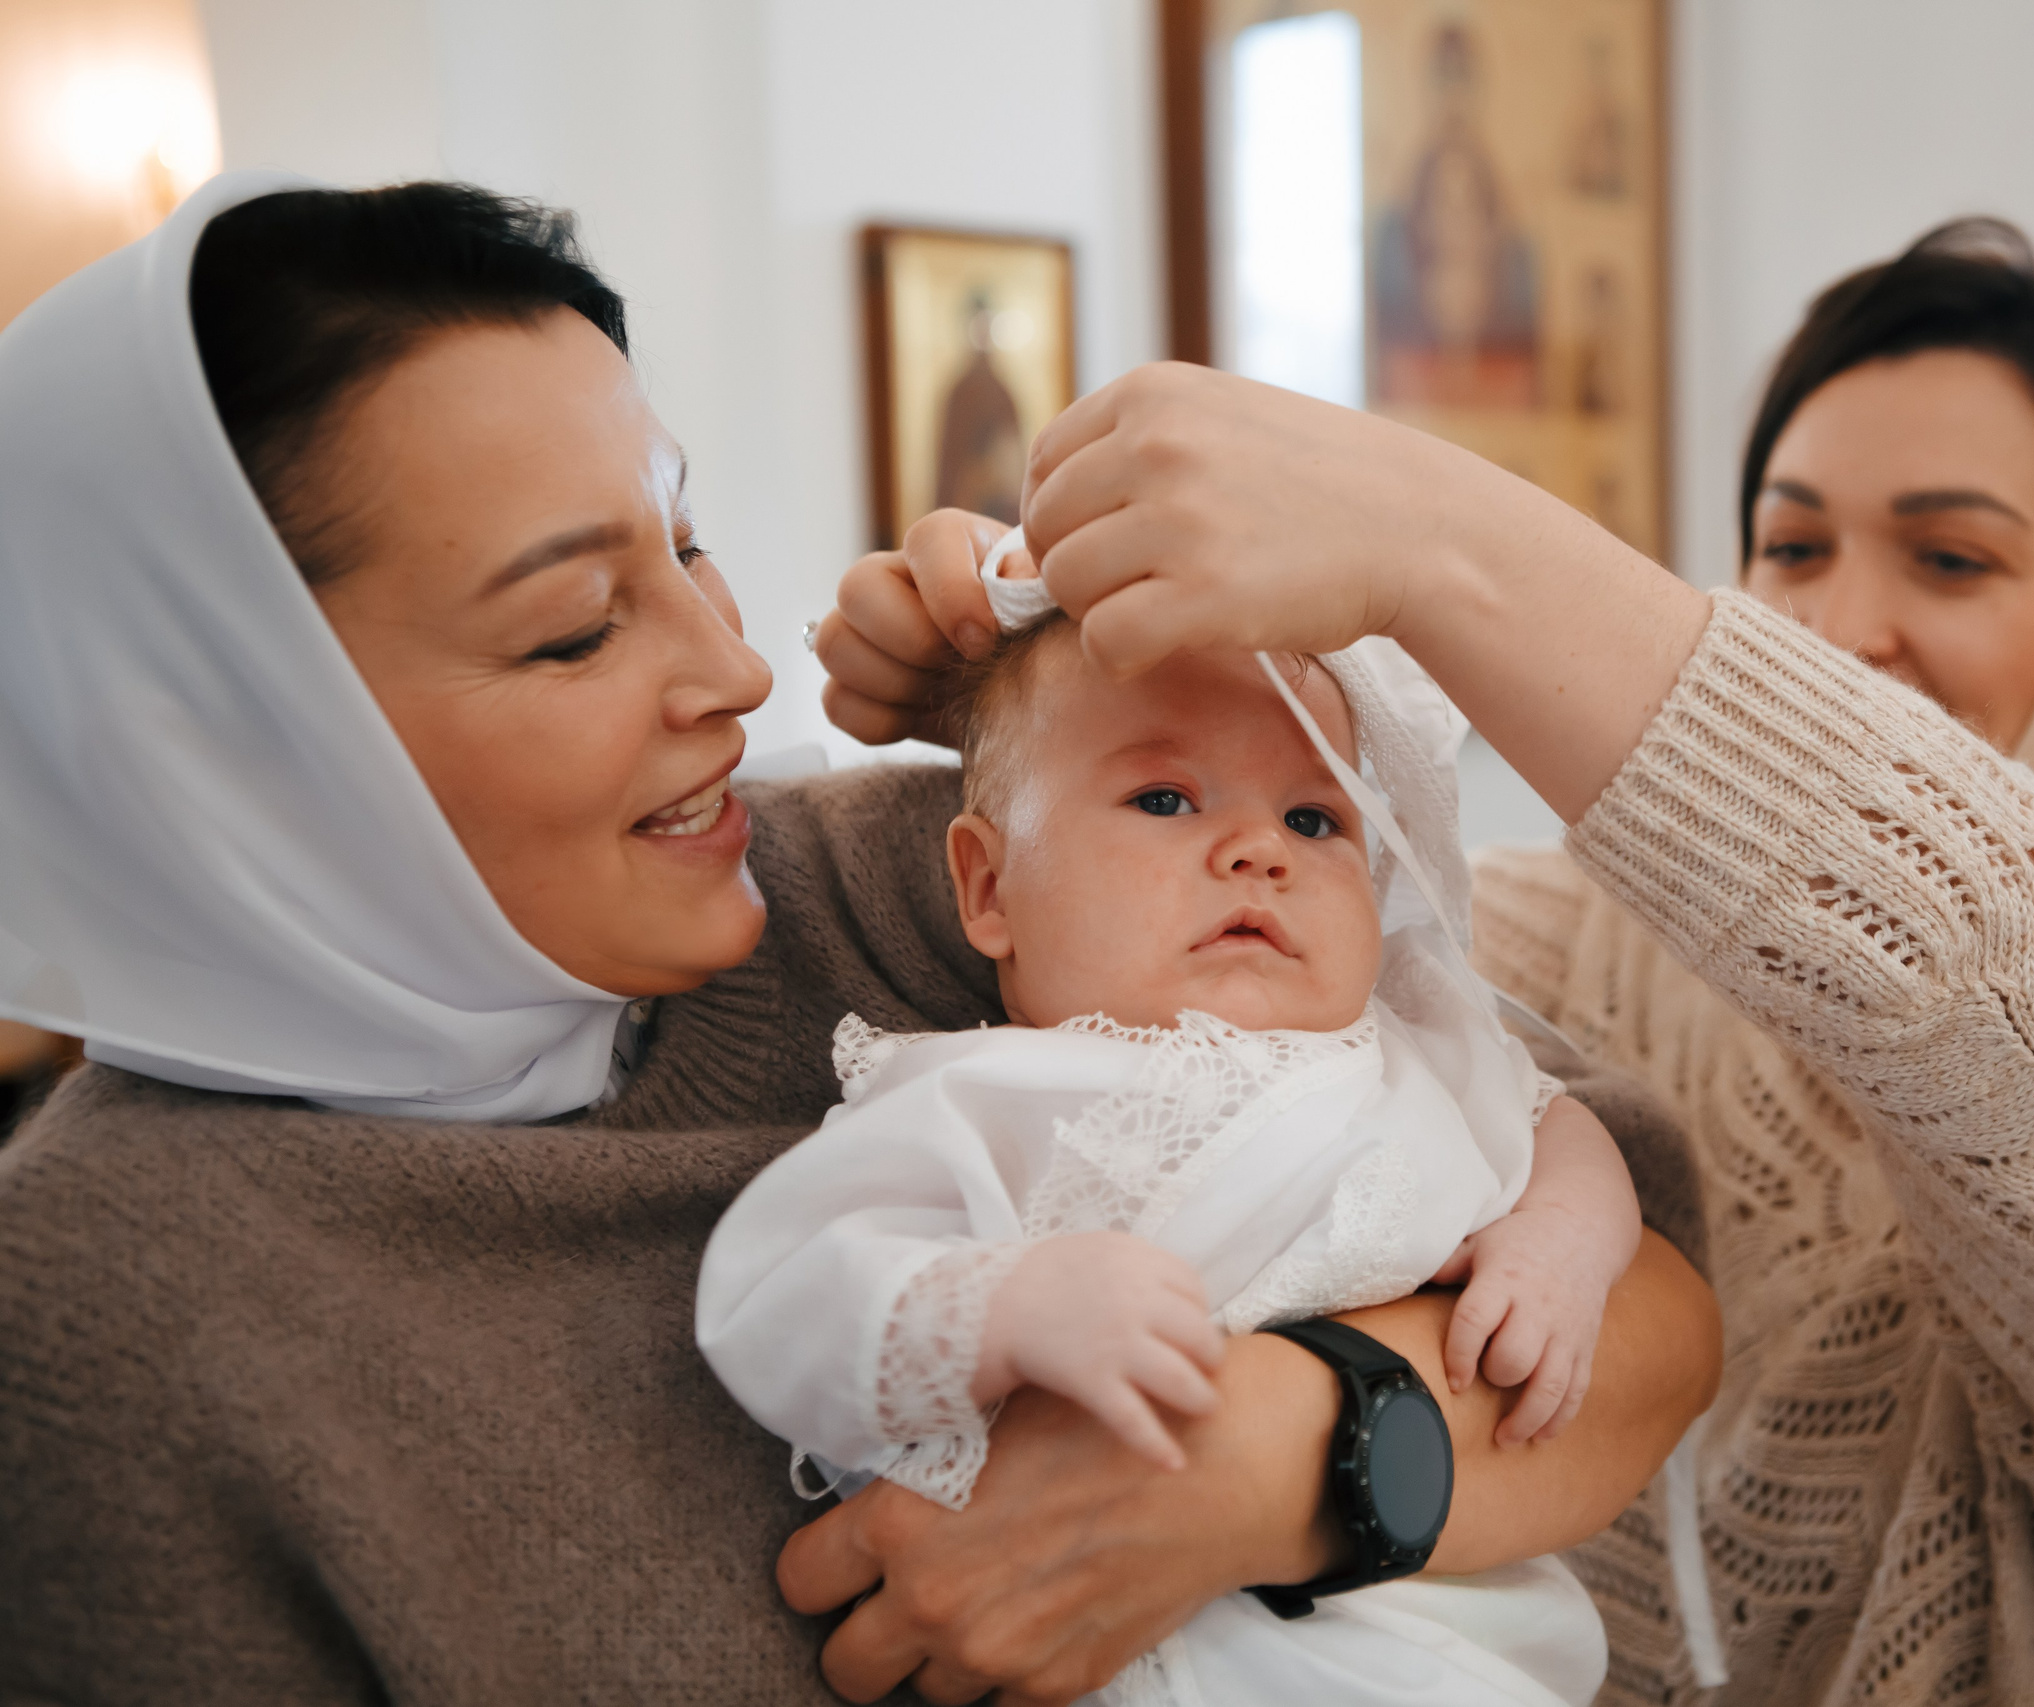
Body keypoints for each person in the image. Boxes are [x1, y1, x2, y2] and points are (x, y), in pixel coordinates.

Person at [0, 174, 1720, 1705]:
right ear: (219, 751)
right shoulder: (107, 1315)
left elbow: (1649, 1305)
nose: (736, 675)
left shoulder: (839, 877)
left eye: (685, 542)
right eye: (578, 628)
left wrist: (1265, 1468)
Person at [820, 220, 2034, 1704]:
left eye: (1951, 560)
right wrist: (1021, 720)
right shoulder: (1584, 948)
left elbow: (2022, 996)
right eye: (1792, 548)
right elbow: (1167, 937)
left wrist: (1436, 542)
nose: (1836, 626)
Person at [699, 591, 1647, 1706]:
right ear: (989, 886)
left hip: (1436, 1645)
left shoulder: (1418, 1053)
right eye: (1164, 798)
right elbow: (781, 1281)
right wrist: (1002, 1307)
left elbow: (1558, 1125)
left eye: (1314, 820)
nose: (1257, 850)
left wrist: (1558, 1245)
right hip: (1113, 1645)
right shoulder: (985, 1092)